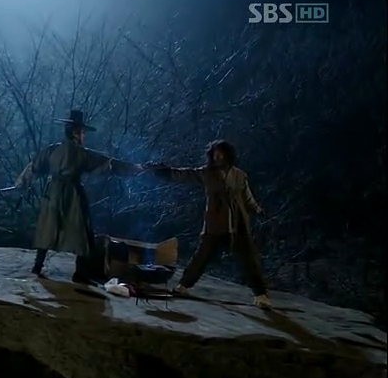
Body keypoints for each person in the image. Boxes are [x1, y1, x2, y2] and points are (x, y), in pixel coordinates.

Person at [14, 109, 144, 283]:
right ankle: (80, 273)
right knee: (82, 231)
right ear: (76, 133)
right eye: (82, 133)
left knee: (49, 227)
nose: (84, 136)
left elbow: (34, 167)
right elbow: (109, 164)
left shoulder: (53, 150)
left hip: (52, 193)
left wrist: (21, 183)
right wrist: (135, 168)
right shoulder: (81, 153)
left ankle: (38, 266)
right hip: (72, 194)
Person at [146, 139, 272, 309]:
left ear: (228, 155)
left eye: (221, 153)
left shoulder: (239, 175)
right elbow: (186, 174)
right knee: (202, 255)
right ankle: (184, 285)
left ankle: (260, 295)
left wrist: (257, 209)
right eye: (215, 154)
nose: (217, 157)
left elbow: (247, 197)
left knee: (248, 259)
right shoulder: (207, 173)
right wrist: (164, 171)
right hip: (215, 221)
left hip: (238, 223)